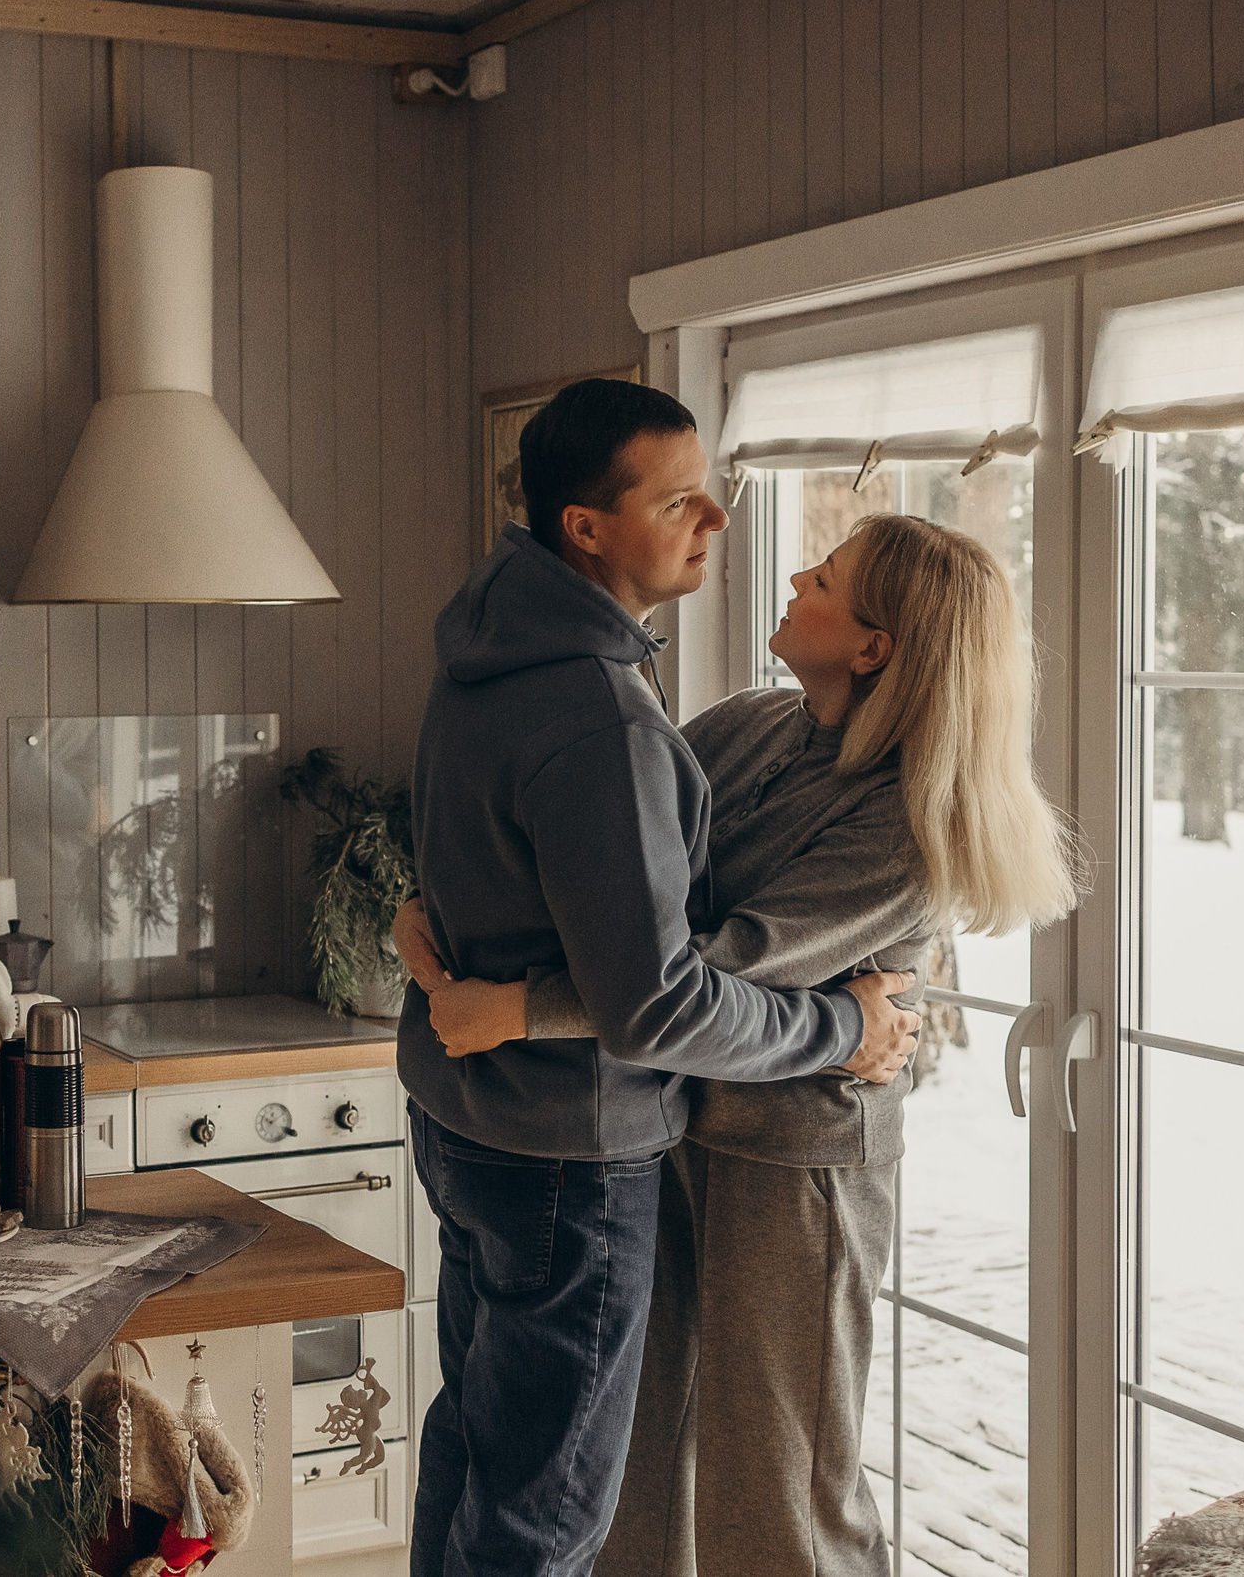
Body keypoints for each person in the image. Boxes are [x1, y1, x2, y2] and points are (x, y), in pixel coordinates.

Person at [401, 513, 1084, 1577]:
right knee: (633, 1461)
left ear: (874, 645)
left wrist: (521, 1006)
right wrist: (432, 908)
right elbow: (612, 891)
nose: (793, 577)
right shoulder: (753, 723)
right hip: (668, 1127)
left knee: (782, 1490)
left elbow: (707, 965)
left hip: (793, 1168)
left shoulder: (908, 823)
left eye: (823, 577)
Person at [398, 378, 923, 1577]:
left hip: (470, 1122)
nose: (718, 521)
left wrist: (431, 932)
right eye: (682, 498)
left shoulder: (484, 647)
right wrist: (838, 1029)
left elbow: (497, 867)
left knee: (476, 1449)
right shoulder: (609, 719)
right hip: (570, 1149)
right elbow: (658, 1001)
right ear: (588, 528)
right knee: (550, 1505)